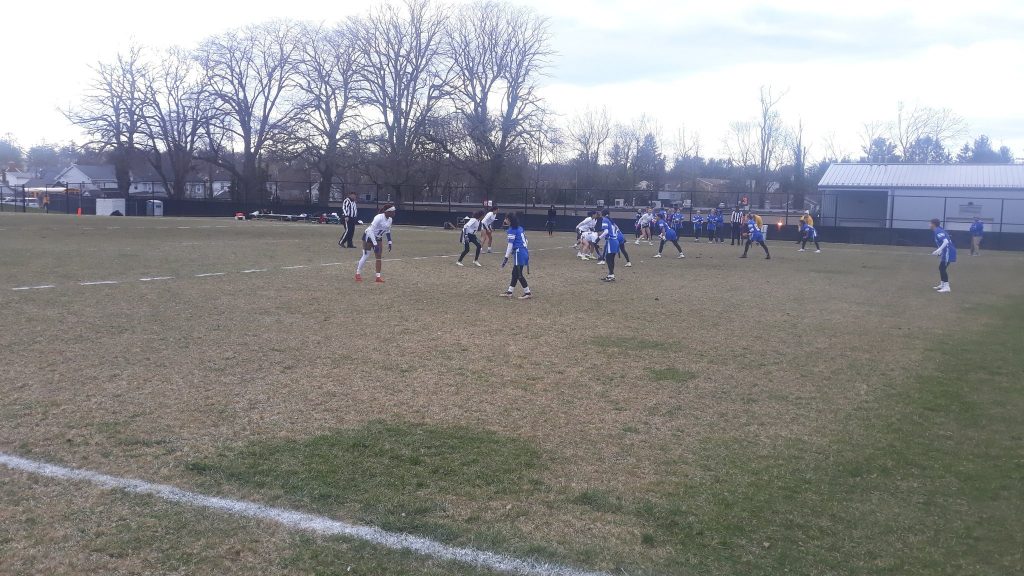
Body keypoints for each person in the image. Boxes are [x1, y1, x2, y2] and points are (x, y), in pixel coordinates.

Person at [355, 204, 396, 283]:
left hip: (378, 238)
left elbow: (387, 230)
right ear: (387, 212)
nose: (394, 213)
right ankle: (358, 273)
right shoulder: (378, 217)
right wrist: (375, 244)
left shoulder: (390, 219)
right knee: (366, 255)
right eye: (393, 212)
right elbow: (370, 230)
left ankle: (378, 277)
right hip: (369, 236)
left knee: (379, 257)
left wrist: (389, 242)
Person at [500, 213, 532, 299]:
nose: (505, 220)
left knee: (518, 274)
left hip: (519, 253)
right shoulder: (520, 228)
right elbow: (526, 241)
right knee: (515, 273)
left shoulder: (511, 230)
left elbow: (510, 245)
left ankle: (527, 292)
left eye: (506, 219)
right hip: (524, 252)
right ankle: (510, 292)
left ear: (509, 220)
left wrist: (506, 257)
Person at [930, 218, 956, 293]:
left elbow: (946, 241)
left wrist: (938, 250)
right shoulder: (938, 230)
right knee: (941, 268)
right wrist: (940, 251)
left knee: (942, 268)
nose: (929, 225)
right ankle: (942, 284)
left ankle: (947, 287)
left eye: (930, 223)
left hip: (948, 251)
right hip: (946, 251)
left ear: (933, 224)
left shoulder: (938, 231)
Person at [597, 209, 621, 282]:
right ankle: (611, 275)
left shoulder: (604, 220)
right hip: (615, 240)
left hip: (611, 241)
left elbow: (606, 231)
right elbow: (617, 230)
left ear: (602, 214)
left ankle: (611, 275)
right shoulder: (611, 221)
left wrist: (599, 238)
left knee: (608, 259)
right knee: (611, 259)